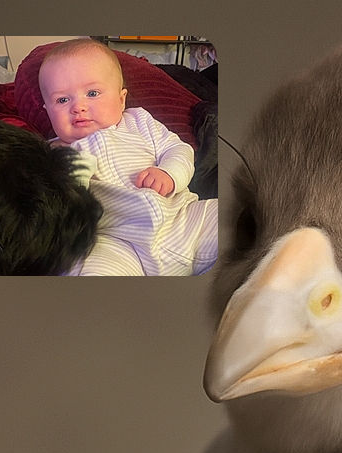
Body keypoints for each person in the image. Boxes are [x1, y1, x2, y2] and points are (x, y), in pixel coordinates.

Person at [38, 39, 217, 276]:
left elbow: (179, 150)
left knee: (232, 218)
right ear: (47, 111)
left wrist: (169, 174)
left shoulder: (140, 122)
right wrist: (71, 178)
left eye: (92, 93)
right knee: (84, 269)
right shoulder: (54, 153)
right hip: (116, 242)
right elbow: (59, 209)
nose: (78, 106)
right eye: (62, 100)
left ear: (121, 99)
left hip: (185, 221)